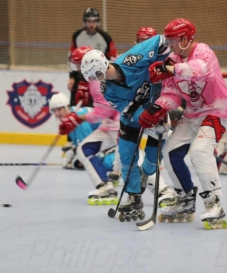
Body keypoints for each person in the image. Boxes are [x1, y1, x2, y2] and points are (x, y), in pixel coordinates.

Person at [139, 18, 227, 229]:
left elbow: (198, 70)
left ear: (184, 39)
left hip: (216, 112)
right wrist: (158, 108)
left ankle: (214, 203)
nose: (170, 45)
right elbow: (172, 93)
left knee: (200, 151)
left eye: (173, 40)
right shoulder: (172, 60)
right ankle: (184, 199)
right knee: (170, 151)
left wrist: (171, 69)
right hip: (193, 114)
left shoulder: (203, 51)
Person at [80, 34, 177, 222]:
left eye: (99, 74)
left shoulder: (131, 58)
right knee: (126, 155)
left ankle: (144, 175)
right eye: (96, 78)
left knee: (151, 160)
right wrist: (148, 118)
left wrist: (166, 63)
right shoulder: (106, 89)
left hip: (158, 108)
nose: (101, 79)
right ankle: (134, 196)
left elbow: (161, 40)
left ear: (104, 65)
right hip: (133, 118)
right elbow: (127, 109)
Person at [59, 46, 122, 205]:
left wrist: (78, 117)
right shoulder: (96, 76)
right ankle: (104, 186)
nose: (78, 70)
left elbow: (104, 111)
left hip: (120, 125)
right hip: (111, 126)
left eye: (79, 65)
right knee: (84, 149)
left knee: (133, 161)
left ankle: (163, 190)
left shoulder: (97, 81)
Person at [67, 8, 117, 107]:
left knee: (95, 105)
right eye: (89, 21)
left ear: (98, 22)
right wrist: (71, 77)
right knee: (75, 104)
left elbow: (113, 57)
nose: (91, 24)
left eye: (94, 21)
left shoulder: (105, 37)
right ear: (84, 22)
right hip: (79, 76)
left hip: (97, 78)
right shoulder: (77, 36)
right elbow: (70, 58)